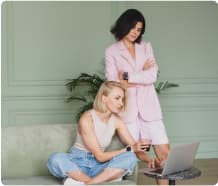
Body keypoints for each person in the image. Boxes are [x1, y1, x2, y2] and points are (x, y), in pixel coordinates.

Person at [47, 81, 159, 185]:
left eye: (122, 99)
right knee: (55, 159)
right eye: (117, 98)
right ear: (104, 98)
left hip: (99, 166)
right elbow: (100, 156)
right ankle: (101, 180)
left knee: (130, 158)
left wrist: (151, 160)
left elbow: (135, 148)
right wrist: (130, 149)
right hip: (78, 163)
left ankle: (85, 183)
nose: (121, 103)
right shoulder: (87, 118)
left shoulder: (117, 121)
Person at [105, 9, 170, 184]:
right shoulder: (111, 51)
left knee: (165, 157)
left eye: (139, 29)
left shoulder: (146, 47)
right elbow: (113, 83)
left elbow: (153, 76)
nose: (135, 32)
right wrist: (141, 73)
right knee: (133, 156)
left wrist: (128, 76)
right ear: (123, 26)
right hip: (128, 112)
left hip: (150, 110)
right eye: (133, 27)